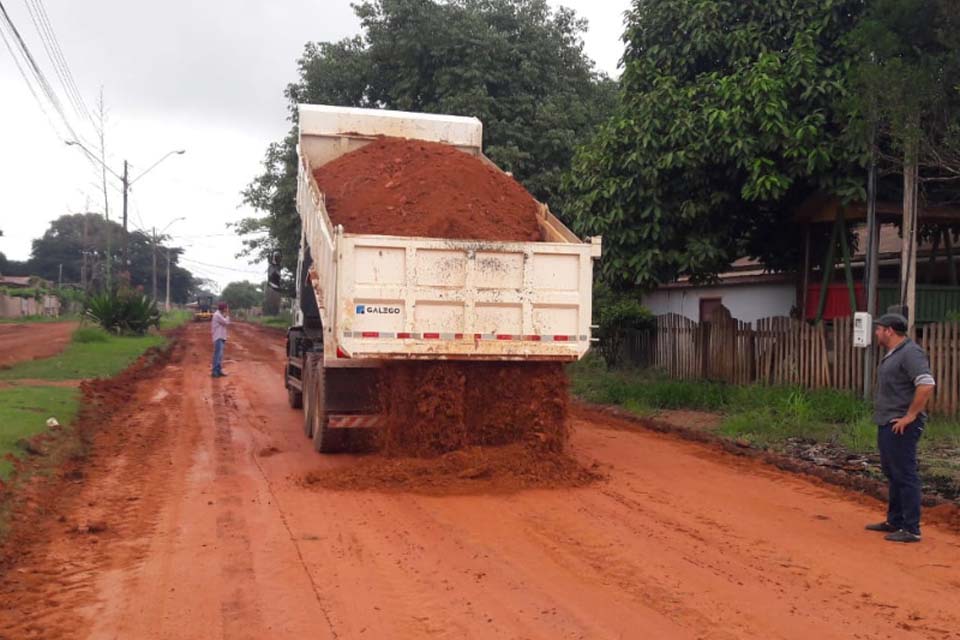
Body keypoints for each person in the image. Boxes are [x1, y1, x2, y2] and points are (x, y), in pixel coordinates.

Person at [865, 313, 935, 543]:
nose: (876, 333)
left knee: (905, 473)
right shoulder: (895, 353)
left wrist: (910, 416)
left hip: (901, 424)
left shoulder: (910, 353)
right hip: (888, 421)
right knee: (892, 472)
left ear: (889, 331)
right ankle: (894, 520)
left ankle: (911, 528)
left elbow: (925, 384)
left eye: (879, 329)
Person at [211, 302, 230, 378]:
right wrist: (227, 315)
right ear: (224, 308)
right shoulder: (217, 315)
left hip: (221, 336)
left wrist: (225, 316)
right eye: (226, 308)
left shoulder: (219, 314)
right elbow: (226, 322)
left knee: (220, 355)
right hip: (218, 336)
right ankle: (215, 371)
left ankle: (218, 370)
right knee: (217, 355)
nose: (227, 309)